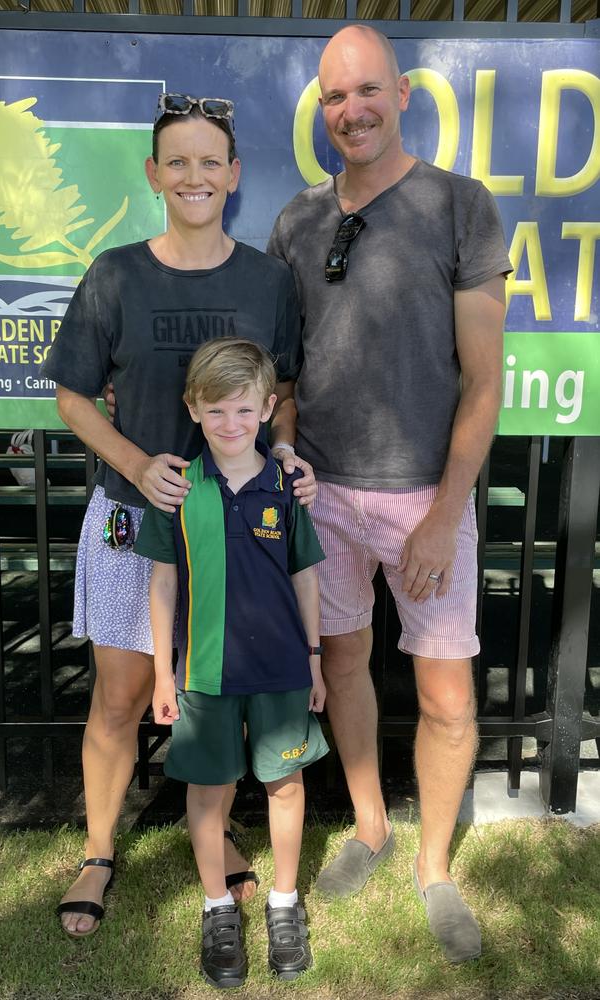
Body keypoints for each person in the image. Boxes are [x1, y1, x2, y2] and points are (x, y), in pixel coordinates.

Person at [267, 25, 512, 963]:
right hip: (323, 496)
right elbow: (284, 378)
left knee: (447, 695)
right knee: (347, 667)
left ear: (402, 93)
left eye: (366, 90)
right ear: (322, 112)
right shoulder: (295, 222)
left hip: (424, 500)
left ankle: (436, 869)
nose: (351, 111)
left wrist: (447, 512)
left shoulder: (460, 206)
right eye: (334, 98)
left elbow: (483, 380)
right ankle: (370, 825)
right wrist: (288, 461)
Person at [42, 92, 313, 937]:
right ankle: (98, 850)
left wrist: (286, 458)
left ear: (234, 176)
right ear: (154, 173)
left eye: (211, 162)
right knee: (123, 693)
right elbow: (71, 398)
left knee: (221, 687)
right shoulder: (115, 274)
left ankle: (218, 830)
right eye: (178, 162)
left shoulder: (271, 281)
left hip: (236, 533)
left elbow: (286, 395)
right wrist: (136, 464)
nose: (194, 176)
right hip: (135, 517)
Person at [134, 337, 328, 988]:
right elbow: (162, 583)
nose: (231, 424)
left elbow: (305, 577)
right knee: (209, 791)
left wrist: (315, 657)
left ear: (268, 408)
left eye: (245, 411)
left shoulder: (286, 484)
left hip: (281, 669)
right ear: (193, 409)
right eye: (216, 411)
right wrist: (163, 672)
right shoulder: (178, 488)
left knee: (286, 786)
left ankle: (282, 903)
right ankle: (219, 907)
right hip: (207, 674)